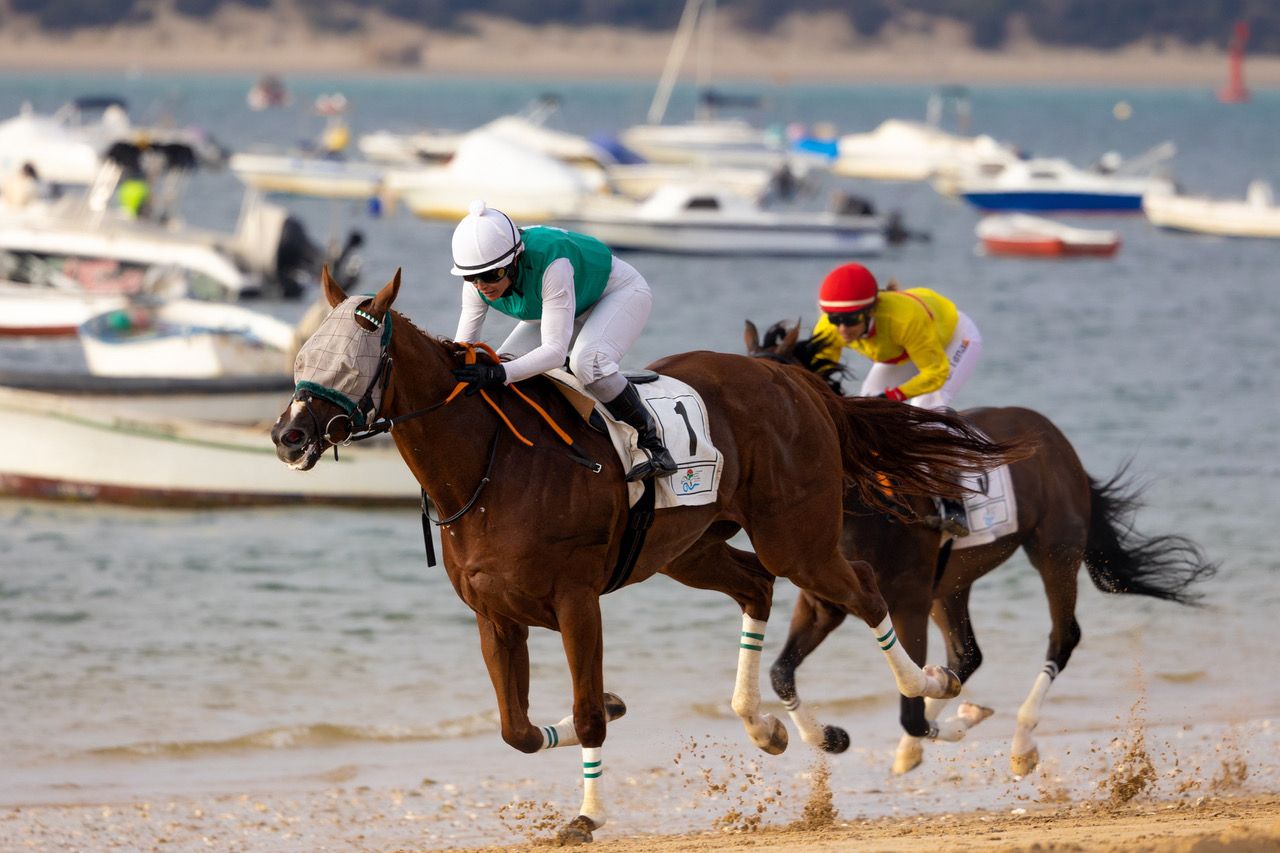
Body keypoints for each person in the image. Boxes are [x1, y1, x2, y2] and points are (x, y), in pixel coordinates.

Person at [448, 200, 677, 482]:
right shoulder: (477, 282)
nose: (482, 285)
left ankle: (652, 444)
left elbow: (555, 352)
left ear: (515, 260)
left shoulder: (552, 264)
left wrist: (499, 373)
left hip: (617, 294)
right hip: (565, 303)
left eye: (491, 275)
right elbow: (463, 349)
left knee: (588, 364)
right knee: (506, 362)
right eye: (471, 277)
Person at [810, 262, 983, 536]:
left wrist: (894, 395)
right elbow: (818, 373)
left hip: (953, 341)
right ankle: (887, 490)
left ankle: (953, 505)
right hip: (904, 350)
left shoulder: (903, 318)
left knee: (926, 411)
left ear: (870, 311)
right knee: (867, 410)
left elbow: (936, 373)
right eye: (835, 319)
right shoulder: (829, 326)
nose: (842, 329)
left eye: (851, 320)